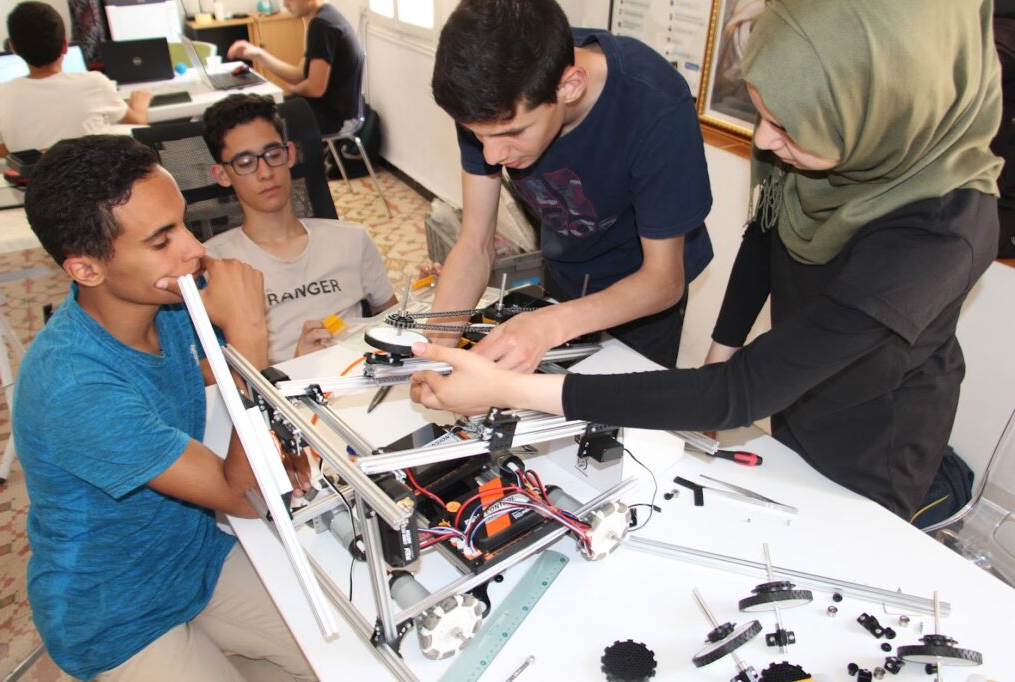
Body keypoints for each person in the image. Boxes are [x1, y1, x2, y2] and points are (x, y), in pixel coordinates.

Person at [410, 0, 1002, 525]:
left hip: (877, 444)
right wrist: (722, 346)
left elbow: (741, 390)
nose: (764, 144)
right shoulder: (820, 129)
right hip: (793, 404)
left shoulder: (939, 234)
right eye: (761, 116)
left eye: (783, 127)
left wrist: (515, 389)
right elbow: (768, 230)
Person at [13, 135, 316, 681]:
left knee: (348, 661)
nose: (192, 249)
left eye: (182, 222)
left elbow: (167, 377)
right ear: (86, 271)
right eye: (161, 240)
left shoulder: (167, 301)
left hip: (196, 559)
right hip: (117, 616)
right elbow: (243, 496)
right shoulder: (73, 387)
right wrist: (249, 334)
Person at [427, 0, 712, 371]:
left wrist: (548, 326)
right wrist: (434, 352)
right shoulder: (491, 102)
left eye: (513, 133)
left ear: (570, 86)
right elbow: (475, 244)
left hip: (643, 297)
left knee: (620, 418)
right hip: (567, 270)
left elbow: (663, 280)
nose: (492, 154)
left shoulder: (653, 105)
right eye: (477, 135)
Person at [202, 93, 396, 363]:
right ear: (222, 175)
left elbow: (394, 323)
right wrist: (298, 365)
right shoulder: (214, 265)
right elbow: (217, 375)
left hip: (361, 379)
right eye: (245, 163)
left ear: (290, 154)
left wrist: (424, 293)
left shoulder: (351, 239)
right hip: (279, 397)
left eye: (273, 154)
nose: (265, 172)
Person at [0, 1, 148, 158]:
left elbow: (2, 158)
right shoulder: (95, 83)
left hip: (35, 182)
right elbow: (138, 124)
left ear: (13, 49)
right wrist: (140, 100)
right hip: (92, 179)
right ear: (65, 45)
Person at [227, 0, 362, 135]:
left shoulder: (322, 25)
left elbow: (315, 88)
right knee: (258, 112)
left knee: (253, 122)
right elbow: (299, 74)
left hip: (329, 117)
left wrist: (295, 89)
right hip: (328, 111)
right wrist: (259, 54)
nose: (285, 4)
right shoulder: (326, 17)